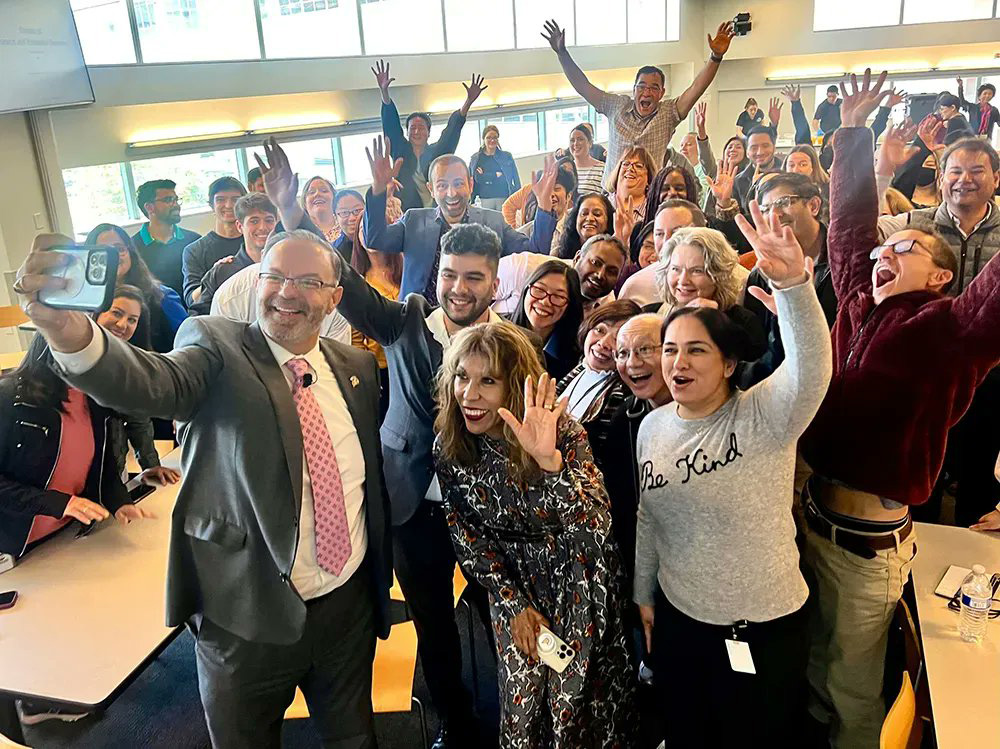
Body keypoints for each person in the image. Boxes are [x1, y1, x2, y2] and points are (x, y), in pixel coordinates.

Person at [16, 225, 393, 749]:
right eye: (275, 276)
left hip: (347, 606)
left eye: (308, 281)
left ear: (334, 296)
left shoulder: (354, 366)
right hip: (246, 613)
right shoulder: (216, 347)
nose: (287, 292)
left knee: (353, 736)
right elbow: (146, 382)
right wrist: (68, 333)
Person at [796, 70, 1000, 748]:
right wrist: (853, 135)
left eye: (906, 248)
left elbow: (991, 303)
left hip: (867, 549)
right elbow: (851, 231)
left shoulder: (948, 331)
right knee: (818, 672)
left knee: (854, 692)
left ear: (942, 276)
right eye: (886, 248)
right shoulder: (858, 302)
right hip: (811, 523)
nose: (884, 253)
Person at [635, 196, 832, 746]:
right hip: (680, 621)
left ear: (727, 362)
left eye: (696, 350)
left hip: (763, 629)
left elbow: (812, 368)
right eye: (669, 350)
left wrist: (794, 288)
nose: (678, 363)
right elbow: (649, 519)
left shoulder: (765, 414)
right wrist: (643, 592)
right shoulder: (653, 428)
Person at [433, 330, 636, 748]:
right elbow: (468, 535)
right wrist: (514, 604)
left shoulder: (560, 432)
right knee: (522, 716)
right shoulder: (450, 445)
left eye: (488, 381)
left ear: (514, 383)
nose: (469, 394)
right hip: (514, 588)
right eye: (461, 377)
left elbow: (595, 530)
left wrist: (549, 464)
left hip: (580, 584)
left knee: (575, 713)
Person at [878, 135, 1000, 527]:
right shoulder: (915, 224)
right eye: (955, 171)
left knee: (981, 471)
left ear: (995, 179)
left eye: (976, 171)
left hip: (993, 375)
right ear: (942, 177)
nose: (964, 179)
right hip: (925, 373)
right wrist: (882, 173)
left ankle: (977, 563)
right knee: (925, 467)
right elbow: (861, 230)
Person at [0, 331, 150, 562]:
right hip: (16, 552)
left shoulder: (94, 400)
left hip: (66, 539)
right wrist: (59, 503)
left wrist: (120, 502)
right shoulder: (8, 398)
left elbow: (103, 465)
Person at [363, 137, 557, 302]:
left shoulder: (493, 222)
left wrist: (544, 205)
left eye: (458, 183)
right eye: (442, 186)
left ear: (470, 184)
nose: (451, 193)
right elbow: (375, 240)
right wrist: (377, 191)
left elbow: (536, 253)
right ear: (431, 189)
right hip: (420, 322)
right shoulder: (413, 220)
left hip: (473, 324)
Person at [543, 18, 735, 184]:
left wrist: (715, 57)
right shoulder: (616, 106)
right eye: (642, 87)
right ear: (634, 90)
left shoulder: (669, 113)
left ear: (662, 93)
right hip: (612, 194)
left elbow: (695, 89)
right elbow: (584, 87)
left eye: (654, 88)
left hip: (649, 193)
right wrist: (562, 54)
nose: (647, 92)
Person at [740, 172, 837, 388]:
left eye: (783, 203)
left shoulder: (843, 261)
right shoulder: (762, 274)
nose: (774, 215)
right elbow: (758, 353)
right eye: (765, 210)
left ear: (813, 205)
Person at [95, 285, 180, 488]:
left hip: (111, 474)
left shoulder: (128, 362)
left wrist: (151, 466)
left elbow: (138, 419)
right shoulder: (69, 355)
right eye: (116, 313)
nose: (123, 324)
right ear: (96, 311)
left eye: (132, 320)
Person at [373, 59, 487, 212]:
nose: (416, 132)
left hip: (438, 210)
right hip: (409, 212)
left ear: (428, 132)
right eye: (412, 128)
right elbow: (391, 126)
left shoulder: (437, 153)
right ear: (407, 132)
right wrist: (384, 93)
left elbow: (452, 131)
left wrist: (468, 102)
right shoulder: (400, 149)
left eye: (421, 128)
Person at [654, 227, 764, 356]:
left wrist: (715, 323)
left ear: (719, 275)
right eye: (675, 269)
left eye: (697, 271)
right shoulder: (651, 315)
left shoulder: (743, 324)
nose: (683, 280)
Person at [555, 301, 640, 464]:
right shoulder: (581, 367)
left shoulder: (622, 395)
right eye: (600, 330)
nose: (603, 343)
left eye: (617, 339)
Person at [85, 223, 187, 354]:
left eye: (119, 249)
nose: (113, 256)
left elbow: (188, 343)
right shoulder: (83, 303)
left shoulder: (163, 297)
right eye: (103, 250)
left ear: (130, 253)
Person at [191, 192, 278, 315]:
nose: (263, 227)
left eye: (269, 220)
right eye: (254, 221)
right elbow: (199, 319)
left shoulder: (288, 268)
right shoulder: (222, 272)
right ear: (239, 226)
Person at [620, 199, 707, 307]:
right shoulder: (635, 285)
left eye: (677, 232)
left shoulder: (724, 279)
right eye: (659, 234)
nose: (667, 241)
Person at [510, 259, 583, 379]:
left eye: (558, 296)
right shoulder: (497, 327)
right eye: (539, 290)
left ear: (570, 305)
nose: (545, 302)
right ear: (526, 290)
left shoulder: (575, 359)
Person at [181, 176, 247, 307]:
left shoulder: (256, 242)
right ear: (211, 205)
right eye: (221, 200)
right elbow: (192, 300)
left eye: (235, 199)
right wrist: (214, 275)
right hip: (217, 320)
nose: (229, 205)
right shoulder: (195, 250)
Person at [131, 179, 201, 297]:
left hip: (194, 312)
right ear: (149, 207)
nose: (176, 205)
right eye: (168, 200)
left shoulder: (195, 241)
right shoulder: (132, 248)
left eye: (176, 200)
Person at [516, 166, 576, 255]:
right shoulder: (524, 233)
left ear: (568, 196)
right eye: (545, 190)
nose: (550, 194)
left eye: (556, 189)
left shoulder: (576, 227)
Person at [606, 147, 656, 242]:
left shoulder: (654, 211)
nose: (630, 168)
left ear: (649, 178)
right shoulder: (602, 204)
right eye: (626, 164)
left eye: (638, 166)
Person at [470, 125, 520, 210]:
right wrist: (495, 175)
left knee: (505, 222)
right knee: (488, 222)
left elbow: (514, 177)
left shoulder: (506, 156)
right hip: (485, 198)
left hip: (504, 196)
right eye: (488, 137)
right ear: (483, 139)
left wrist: (519, 197)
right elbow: (477, 179)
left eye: (495, 137)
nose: (492, 140)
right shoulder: (476, 158)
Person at [732, 126, 781, 214]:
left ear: (774, 148)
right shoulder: (738, 181)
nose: (760, 152)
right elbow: (736, 219)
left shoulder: (788, 175)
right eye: (754, 148)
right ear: (747, 152)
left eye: (765, 146)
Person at [555, 192, 615, 260]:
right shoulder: (558, 253)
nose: (589, 219)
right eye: (584, 213)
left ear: (608, 221)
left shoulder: (613, 257)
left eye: (597, 214)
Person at [784, 144, 830, 223]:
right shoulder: (780, 191)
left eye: (803, 165)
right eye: (791, 165)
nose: (796, 170)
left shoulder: (828, 190)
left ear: (813, 167)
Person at [300, 176, 340, 244]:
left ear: (334, 198)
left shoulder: (346, 223)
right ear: (305, 203)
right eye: (312, 192)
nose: (317, 194)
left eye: (324, 191)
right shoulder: (300, 232)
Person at [567, 123, 606, 195]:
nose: (575, 143)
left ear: (590, 143)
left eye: (580, 139)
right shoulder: (566, 169)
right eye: (572, 140)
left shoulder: (602, 169)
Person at [332, 189, 367, 264]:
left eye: (357, 210)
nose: (352, 218)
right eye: (344, 212)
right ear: (335, 218)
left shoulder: (377, 239)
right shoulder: (335, 252)